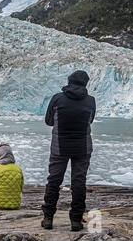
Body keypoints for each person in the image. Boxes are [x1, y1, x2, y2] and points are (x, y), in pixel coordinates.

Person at [41, 70, 96, 232]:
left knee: (54, 181)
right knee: (79, 183)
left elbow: (48, 121)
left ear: (69, 81)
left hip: (59, 146)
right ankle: (76, 220)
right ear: (85, 83)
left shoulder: (58, 98)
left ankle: (48, 218)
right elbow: (90, 120)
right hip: (83, 147)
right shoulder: (91, 101)